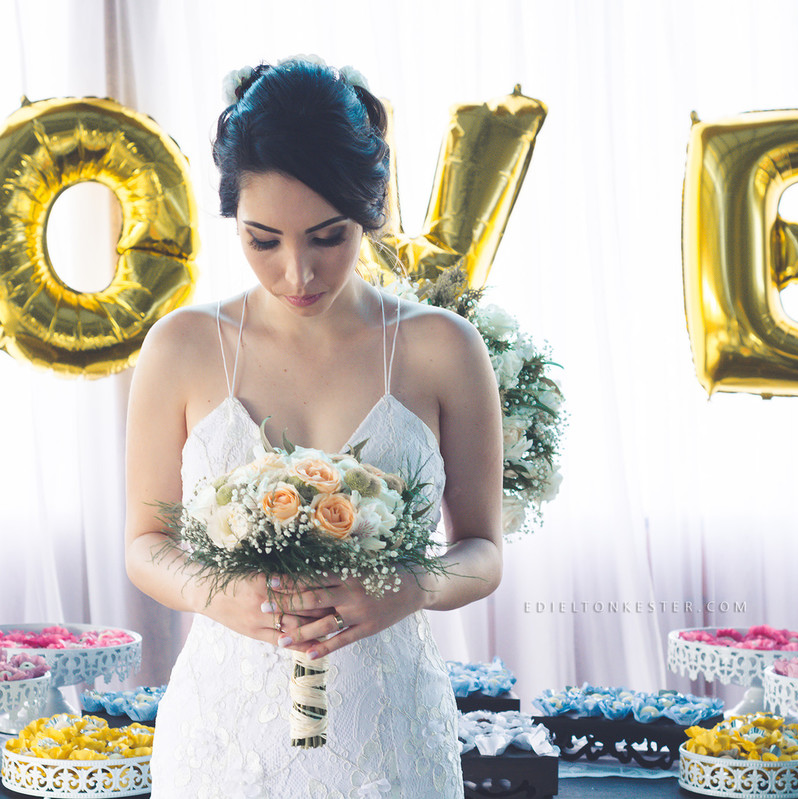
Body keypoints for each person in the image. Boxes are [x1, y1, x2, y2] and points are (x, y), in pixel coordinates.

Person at [124, 56, 503, 797]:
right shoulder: (182, 346)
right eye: (263, 240)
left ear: (367, 212)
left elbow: (484, 549)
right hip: (226, 736)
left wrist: (410, 587)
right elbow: (143, 544)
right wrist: (215, 593)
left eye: (328, 237)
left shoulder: (443, 347)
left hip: (388, 734)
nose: (297, 273)